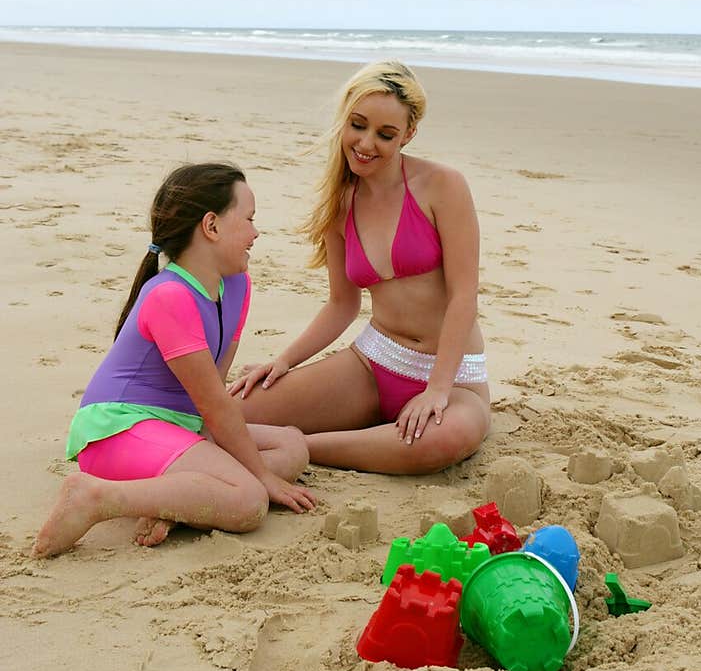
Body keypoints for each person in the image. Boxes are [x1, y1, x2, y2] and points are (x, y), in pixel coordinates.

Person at [32, 162, 313, 559]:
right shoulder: (169, 296)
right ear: (211, 226)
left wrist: (252, 464)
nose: (256, 233)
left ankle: (174, 504)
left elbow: (213, 388)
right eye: (249, 219)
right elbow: (215, 405)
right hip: (118, 431)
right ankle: (95, 496)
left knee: (293, 445)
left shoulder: (237, 285)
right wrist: (262, 477)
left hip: (180, 426)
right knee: (249, 500)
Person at [230, 60, 491, 473]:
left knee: (446, 439)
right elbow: (341, 305)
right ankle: (296, 441)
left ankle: (300, 446)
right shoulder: (341, 204)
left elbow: (464, 295)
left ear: (408, 134)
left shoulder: (443, 185)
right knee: (235, 411)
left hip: (454, 377)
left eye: (386, 134)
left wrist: (437, 390)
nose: (367, 143)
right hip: (373, 364)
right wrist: (284, 362)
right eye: (358, 125)